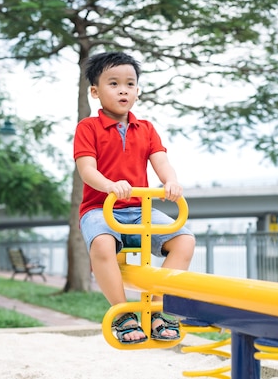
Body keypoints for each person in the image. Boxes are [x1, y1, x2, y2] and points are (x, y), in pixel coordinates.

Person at [74, 51, 196, 344]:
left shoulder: (146, 129)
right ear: (95, 91)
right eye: (113, 83)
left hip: (140, 209)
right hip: (101, 208)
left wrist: (171, 182)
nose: (123, 90)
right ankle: (123, 314)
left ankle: (156, 309)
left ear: (137, 90)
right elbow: (86, 169)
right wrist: (110, 185)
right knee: (102, 244)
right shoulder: (88, 128)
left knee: (184, 240)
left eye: (130, 84)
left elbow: (161, 161)